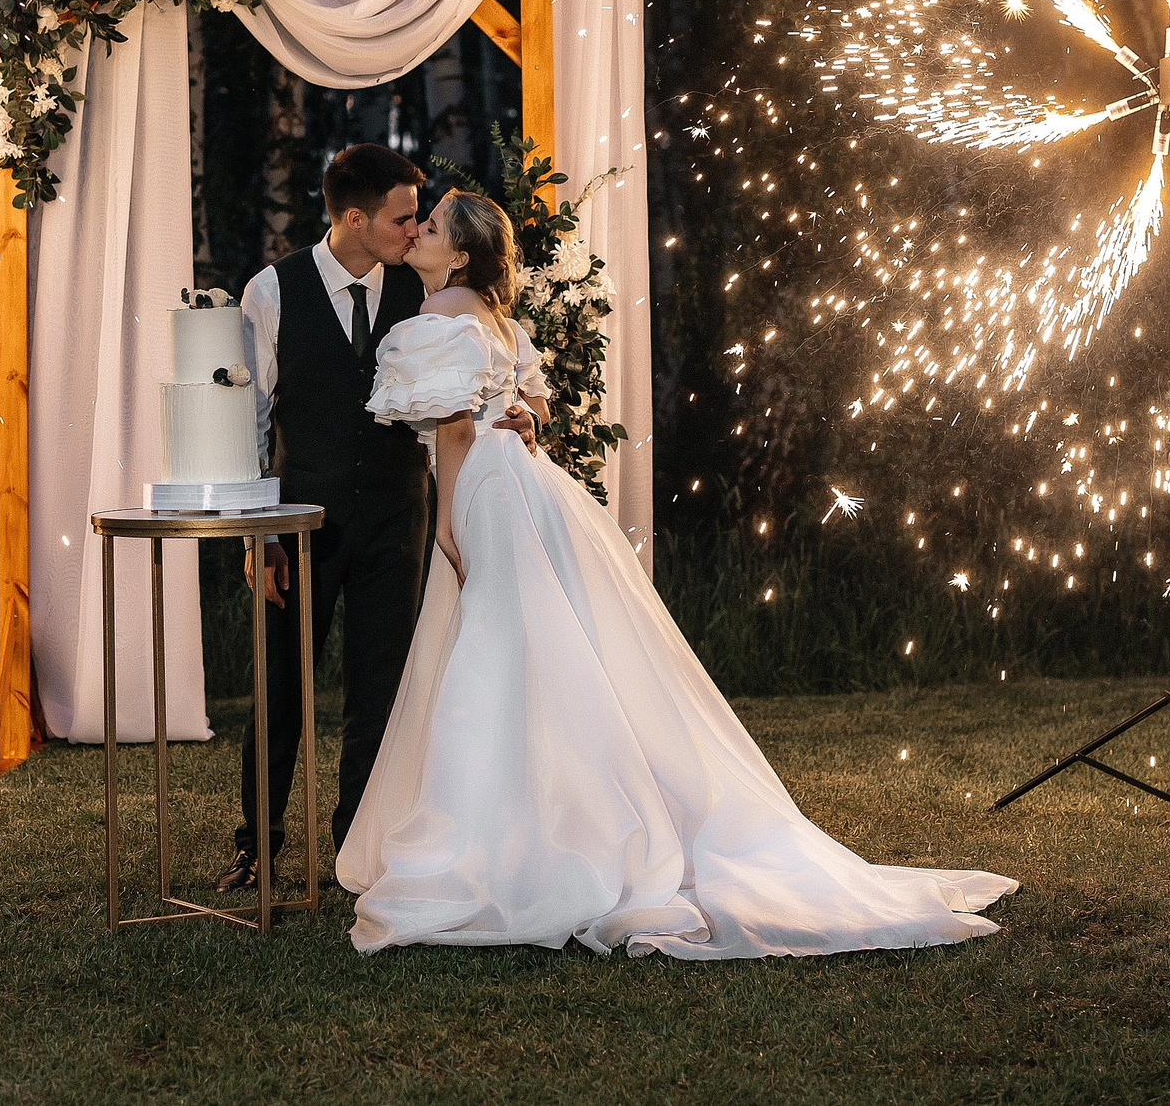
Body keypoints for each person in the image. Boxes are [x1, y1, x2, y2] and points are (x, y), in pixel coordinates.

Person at [337, 191, 1019, 957]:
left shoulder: (437, 317)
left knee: (498, 652)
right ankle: (546, 820)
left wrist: (450, 523)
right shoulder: (497, 319)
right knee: (541, 646)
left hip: (486, 491)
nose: (418, 232)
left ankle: (502, 841)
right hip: (529, 485)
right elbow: (533, 405)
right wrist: (526, 422)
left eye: (431, 226)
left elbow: (457, 432)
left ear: (460, 254)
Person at [216, 145, 534, 895]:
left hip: (399, 517)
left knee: (381, 688)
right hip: (302, 524)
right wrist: (260, 535)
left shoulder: (427, 286)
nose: (415, 228)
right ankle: (256, 846)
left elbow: (503, 363)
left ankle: (355, 850)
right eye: (401, 217)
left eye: (420, 218)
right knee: (279, 685)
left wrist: (524, 411)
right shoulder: (272, 290)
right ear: (355, 219)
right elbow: (248, 421)